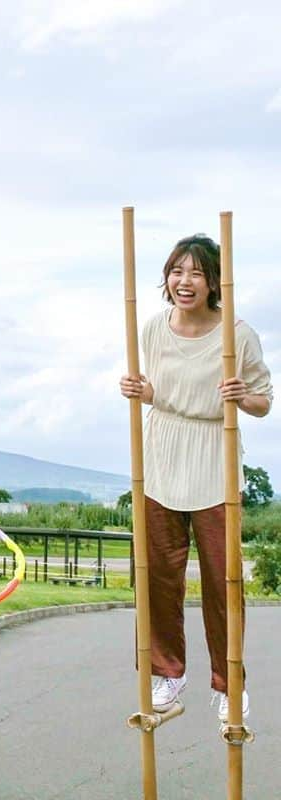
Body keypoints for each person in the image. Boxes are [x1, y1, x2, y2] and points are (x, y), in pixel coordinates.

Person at [120, 234, 272, 721]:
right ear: (167, 278)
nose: (185, 282)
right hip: (161, 456)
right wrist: (140, 391)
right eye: (177, 271)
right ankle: (167, 673)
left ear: (214, 282)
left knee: (223, 579)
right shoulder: (150, 329)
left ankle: (228, 683)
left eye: (197, 273)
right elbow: (153, 390)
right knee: (158, 577)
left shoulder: (237, 335)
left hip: (214, 457)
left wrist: (241, 395)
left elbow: (264, 402)